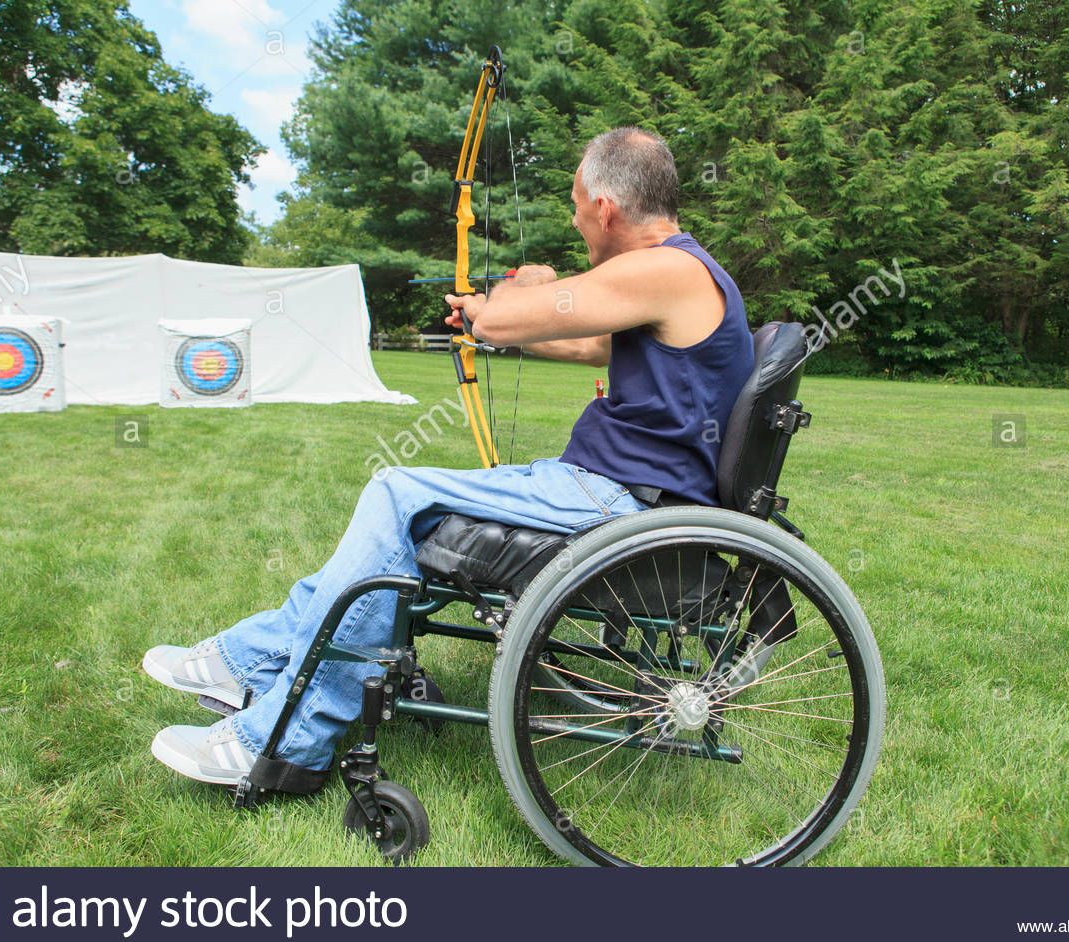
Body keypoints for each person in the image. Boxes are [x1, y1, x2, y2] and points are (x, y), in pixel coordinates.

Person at [144, 127, 756, 786]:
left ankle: (289, 739)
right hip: (611, 490)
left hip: (622, 502)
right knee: (400, 505)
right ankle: (250, 659)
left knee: (396, 494)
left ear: (605, 207)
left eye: (576, 204)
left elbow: (505, 322)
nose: (575, 219)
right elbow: (585, 345)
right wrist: (505, 308)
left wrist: (506, 303)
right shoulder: (676, 275)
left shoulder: (667, 268)